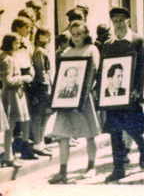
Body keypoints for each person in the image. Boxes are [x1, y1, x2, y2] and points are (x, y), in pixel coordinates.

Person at [48, 21, 100, 184]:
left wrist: (83, 95)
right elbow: (61, 76)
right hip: (66, 100)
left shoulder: (91, 50)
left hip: (84, 99)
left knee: (90, 135)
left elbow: (94, 74)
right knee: (63, 135)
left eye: (80, 34)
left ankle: (91, 166)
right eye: (74, 34)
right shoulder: (67, 52)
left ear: (86, 34)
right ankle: (62, 171)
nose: (77, 37)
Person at [101, 7, 144, 182]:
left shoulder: (138, 40)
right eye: (115, 21)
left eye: (121, 20)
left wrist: (138, 89)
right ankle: (118, 167)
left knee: (133, 126)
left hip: (132, 93)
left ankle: (143, 148)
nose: (118, 24)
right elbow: (105, 69)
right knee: (115, 130)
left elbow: (143, 66)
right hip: (114, 95)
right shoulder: (108, 44)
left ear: (128, 21)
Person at [1, 33, 33, 168]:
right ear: (10, 43)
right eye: (17, 43)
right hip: (11, 95)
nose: (19, 45)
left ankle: (10, 155)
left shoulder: (9, 57)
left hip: (15, 94)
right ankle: (8, 156)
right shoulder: (7, 59)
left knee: (12, 126)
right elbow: (7, 80)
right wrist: (24, 78)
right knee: (10, 126)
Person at [29, 27, 53, 157]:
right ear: (39, 37)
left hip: (47, 85)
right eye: (46, 36)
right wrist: (46, 86)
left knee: (46, 114)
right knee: (39, 114)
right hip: (41, 86)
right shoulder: (39, 51)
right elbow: (41, 71)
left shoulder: (43, 50)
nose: (48, 39)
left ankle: (41, 141)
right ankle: (37, 142)